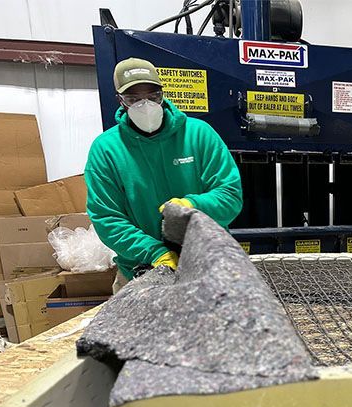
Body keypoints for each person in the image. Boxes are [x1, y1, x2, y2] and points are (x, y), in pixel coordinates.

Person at [85, 58, 243, 294]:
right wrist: (154, 251)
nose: (145, 104)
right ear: (120, 100)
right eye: (133, 98)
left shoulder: (199, 135)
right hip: (140, 273)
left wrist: (192, 206)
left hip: (209, 265)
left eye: (152, 95)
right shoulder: (106, 149)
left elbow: (230, 196)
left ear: (162, 94)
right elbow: (107, 218)